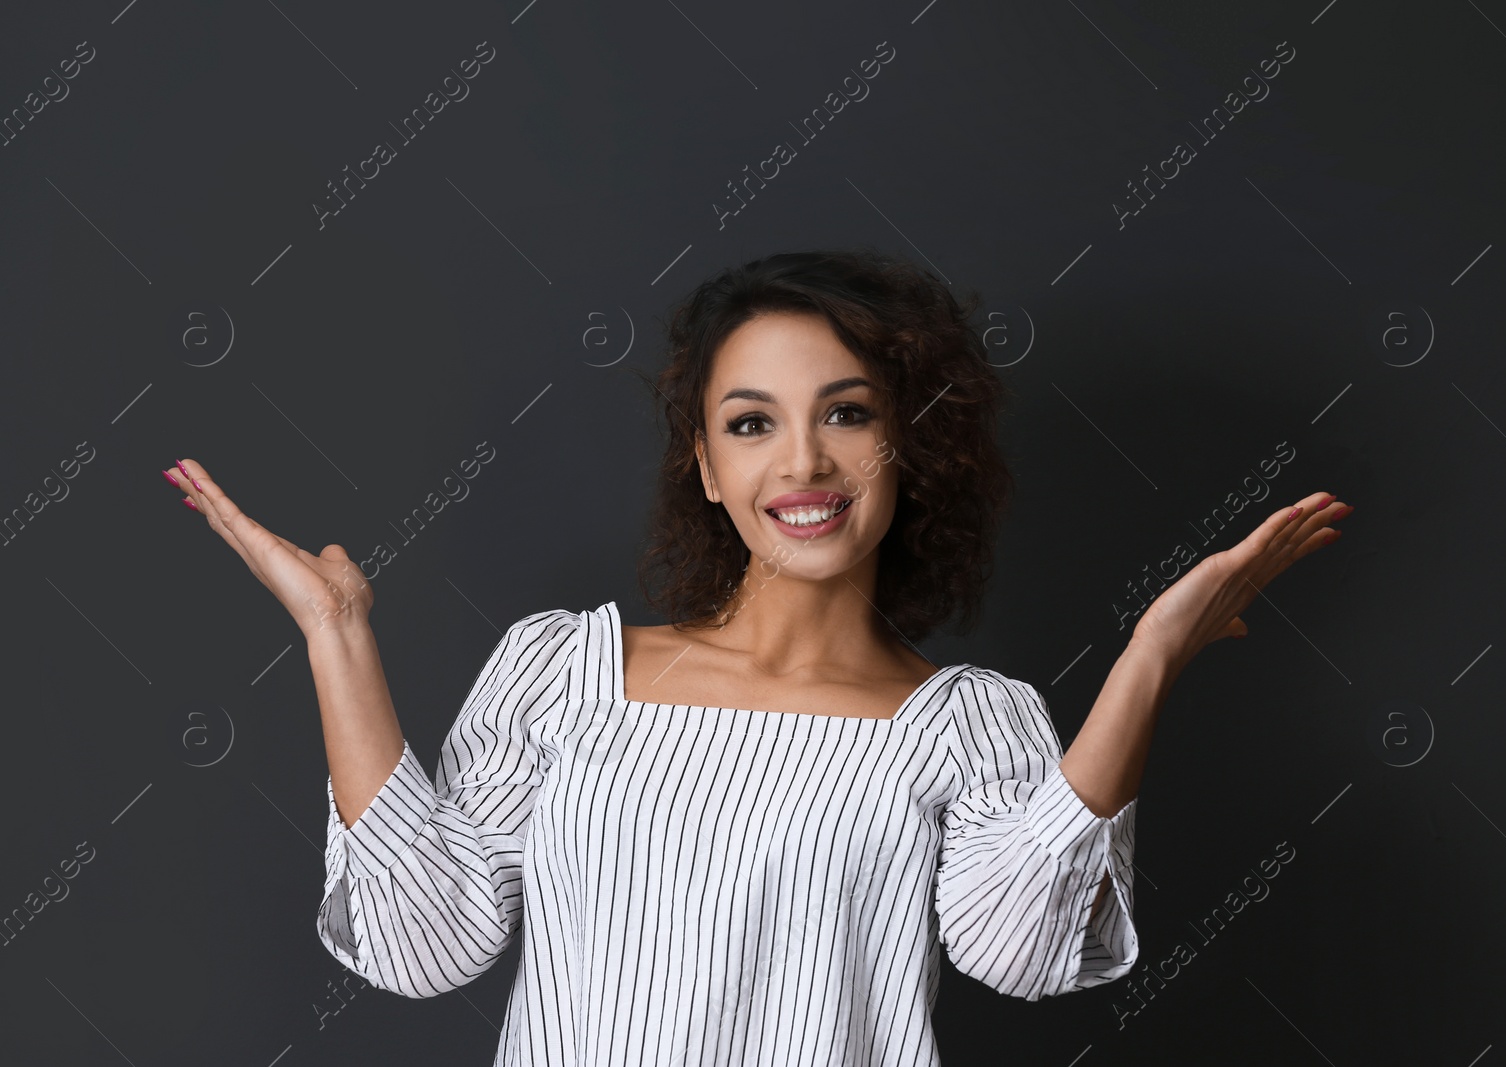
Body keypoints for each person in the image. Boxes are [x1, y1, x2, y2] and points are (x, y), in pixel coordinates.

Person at [161, 248, 1352, 1066]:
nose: (803, 465)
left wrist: (1147, 658)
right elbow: (428, 944)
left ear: (910, 441)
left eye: (846, 412)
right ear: (705, 459)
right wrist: (337, 634)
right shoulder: (561, 671)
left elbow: (1027, 952)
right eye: (751, 422)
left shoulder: (970, 721)